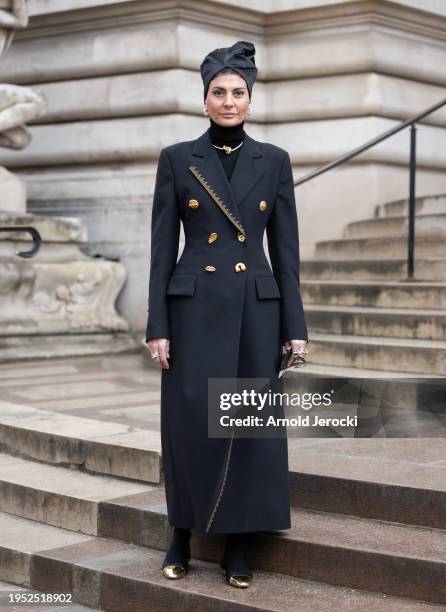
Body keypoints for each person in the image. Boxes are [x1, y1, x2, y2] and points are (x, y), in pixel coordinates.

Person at [145, 40, 308, 588]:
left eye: (239, 92)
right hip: (191, 312)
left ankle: (239, 545)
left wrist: (296, 329)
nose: (230, 101)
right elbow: (161, 249)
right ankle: (180, 535)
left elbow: (286, 254)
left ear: (251, 99)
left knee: (247, 424)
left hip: (256, 312)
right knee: (190, 424)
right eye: (220, 92)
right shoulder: (177, 159)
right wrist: (157, 326)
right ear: (205, 98)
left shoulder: (275, 161)